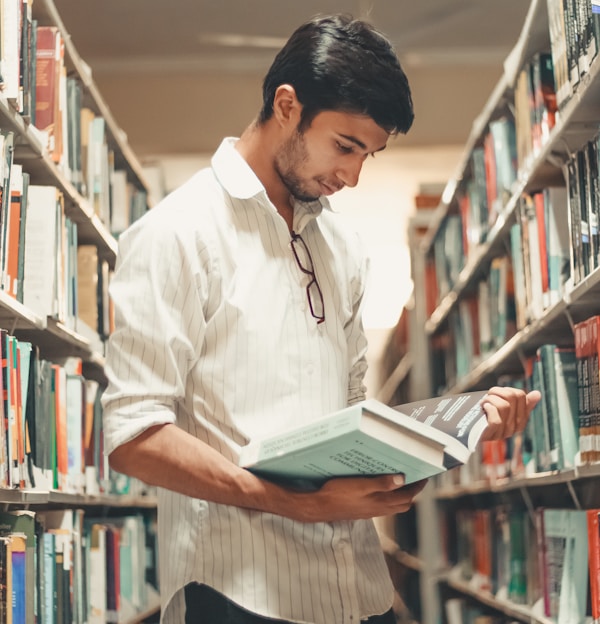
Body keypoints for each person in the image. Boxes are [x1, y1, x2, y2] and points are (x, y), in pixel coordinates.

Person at [102, 13, 541, 624]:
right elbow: (133, 435)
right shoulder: (177, 234)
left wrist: (457, 430)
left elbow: (353, 414)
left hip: (358, 590)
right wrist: (292, 504)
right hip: (238, 594)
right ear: (287, 105)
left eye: (370, 155)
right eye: (344, 146)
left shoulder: (341, 247)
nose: (353, 177)